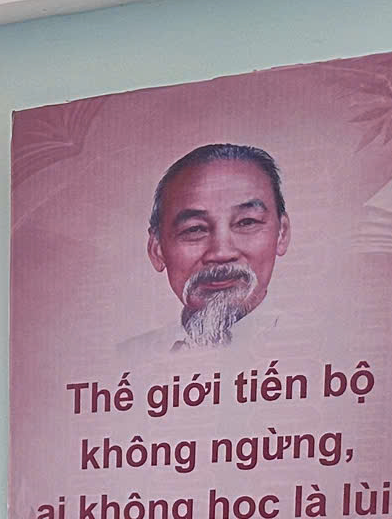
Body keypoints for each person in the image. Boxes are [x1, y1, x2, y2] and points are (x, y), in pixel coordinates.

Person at [118, 142, 292, 359]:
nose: (221, 253)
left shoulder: (317, 346)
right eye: (195, 229)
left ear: (282, 233)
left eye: (246, 222)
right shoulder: (127, 360)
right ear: (157, 249)